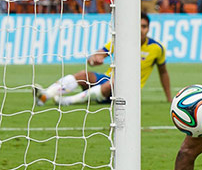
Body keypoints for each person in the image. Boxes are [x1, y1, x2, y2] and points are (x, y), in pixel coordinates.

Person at [34, 13, 172, 107]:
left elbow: (163, 72)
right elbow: (94, 57)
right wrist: (95, 60)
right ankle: (46, 95)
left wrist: (169, 97)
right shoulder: (120, 41)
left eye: (144, 26)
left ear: (148, 28)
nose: (141, 30)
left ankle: (67, 101)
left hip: (127, 89)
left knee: (114, 81)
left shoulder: (156, 48)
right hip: (107, 80)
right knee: (83, 74)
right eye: (138, 26)